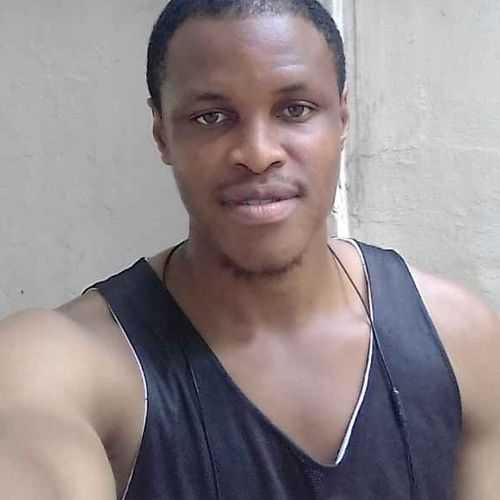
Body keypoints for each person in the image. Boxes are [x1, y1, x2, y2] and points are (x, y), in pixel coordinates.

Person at [1, 0, 499, 499]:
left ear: (342, 117)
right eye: (211, 116)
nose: (259, 154)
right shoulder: (63, 363)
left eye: (295, 110)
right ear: (162, 135)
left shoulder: (460, 341)